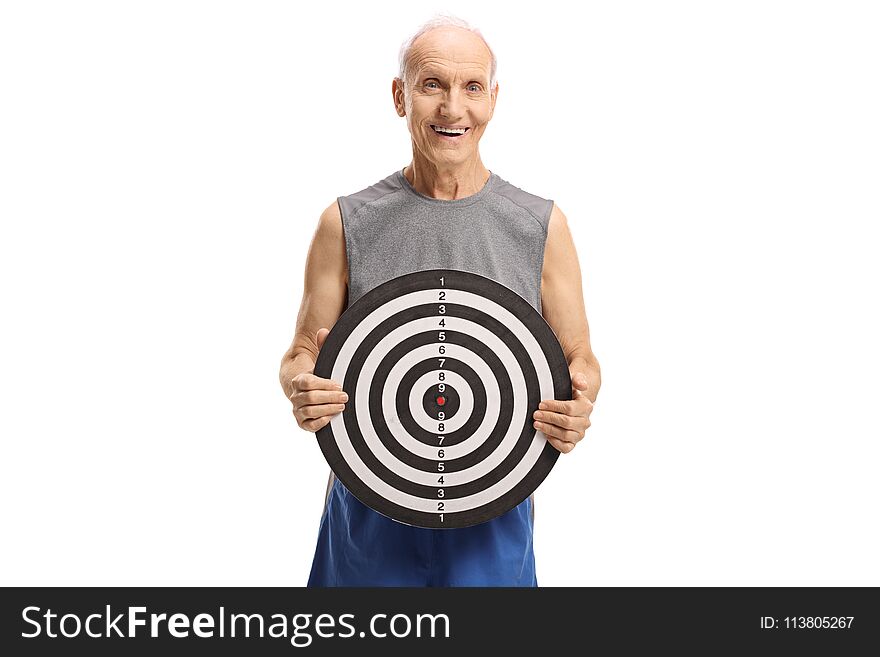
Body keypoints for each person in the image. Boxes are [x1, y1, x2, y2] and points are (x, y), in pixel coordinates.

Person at [279, 14, 601, 586]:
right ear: (400, 96)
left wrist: (579, 400)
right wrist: (303, 387)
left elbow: (580, 358)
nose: (454, 108)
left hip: (494, 503)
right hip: (369, 501)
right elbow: (302, 351)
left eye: (472, 87)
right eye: (432, 85)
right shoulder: (345, 222)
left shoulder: (541, 226)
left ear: (493, 100)